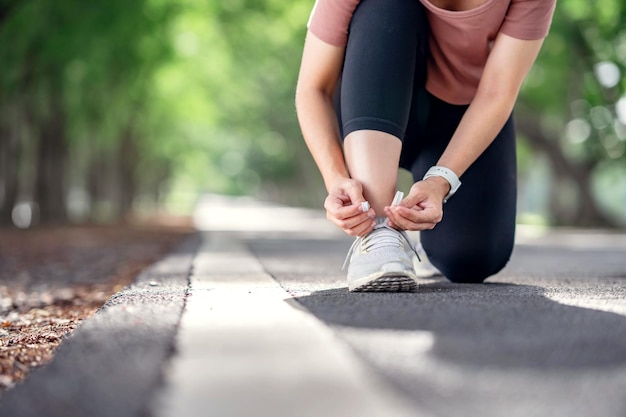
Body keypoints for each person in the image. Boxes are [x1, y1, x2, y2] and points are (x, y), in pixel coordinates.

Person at [295, 0, 556, 292]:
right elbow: (312, 88)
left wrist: (440, 181)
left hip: (461, 117)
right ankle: (379, 234)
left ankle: (421, 234)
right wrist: (336, 179)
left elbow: (498, 91)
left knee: (472, 259)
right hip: (373, 103)